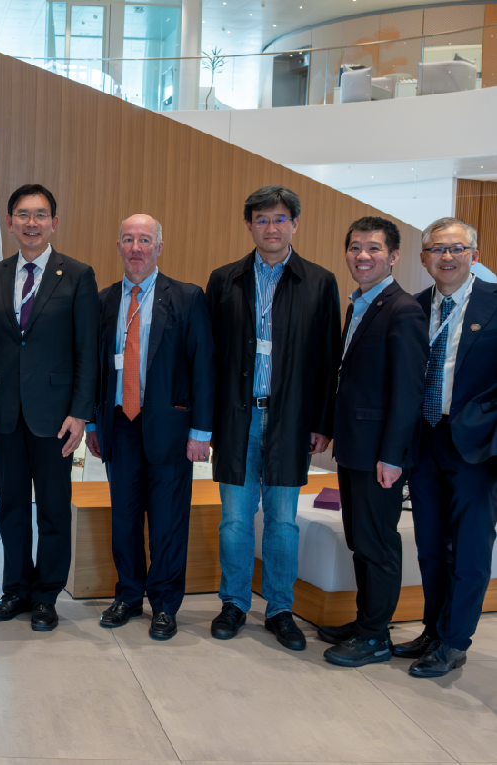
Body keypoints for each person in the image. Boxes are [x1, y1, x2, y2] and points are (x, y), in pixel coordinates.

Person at [205, 185, 341, 650]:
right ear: (249, 226)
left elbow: (328, 359)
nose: (271, 228)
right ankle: (234, 602)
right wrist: (206, 422)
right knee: (235, 520)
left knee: (283, 521)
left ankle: (280, 608)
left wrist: (322, 422)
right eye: (261, 219)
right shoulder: (224, 280)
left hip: (291, 421)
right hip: (235, 420)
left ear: (295, 224)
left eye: (280, 219)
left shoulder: (319, 282)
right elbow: (209, 358)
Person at [0, 184, 99, 632]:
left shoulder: (78, 275)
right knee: (11, 509)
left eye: (40, 215)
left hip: (56, 417)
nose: (31, 223)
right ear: (10, 223)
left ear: (54, 223)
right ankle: (16, 590)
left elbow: (87, 351)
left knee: (53, 510)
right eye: (23, 215)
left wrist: (80, 413)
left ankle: (46, 596)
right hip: (3, 413)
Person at [85, 214, 214, 640]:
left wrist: (201, 432)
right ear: (118, 247)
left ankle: (164, 604)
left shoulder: (187, 297)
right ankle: (128, 595)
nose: (136, 248)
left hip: (170, 430)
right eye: (128, 239)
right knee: (123, 519)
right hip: (119, 426)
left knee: (167, 523)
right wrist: (92, 422)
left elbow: (203, 367)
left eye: (144, 240)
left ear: (159, 248)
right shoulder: (103, 301)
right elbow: (94, 368)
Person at [317, 217, 427, 667]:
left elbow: (408, 392)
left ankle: (376, 637)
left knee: (378, 543)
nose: (363, 256)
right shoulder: (359, 304)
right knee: (360, 540)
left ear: (394, 256)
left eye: (374, 248)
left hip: (379, 453)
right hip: (354, 447)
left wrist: (392, 456)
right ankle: (366, 623)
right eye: (356, 247)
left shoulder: (403, 310)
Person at [401, 217, 497, 678]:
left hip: (476, 446)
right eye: (438, 249)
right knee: (430, 545)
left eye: (457, 248)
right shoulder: (414, 307)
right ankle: (433, 631)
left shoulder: (495, 302)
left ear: (474, 256)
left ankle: (455, 641)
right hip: (425, 440)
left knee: (471, 548)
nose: (447, 256)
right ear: (424, 258)